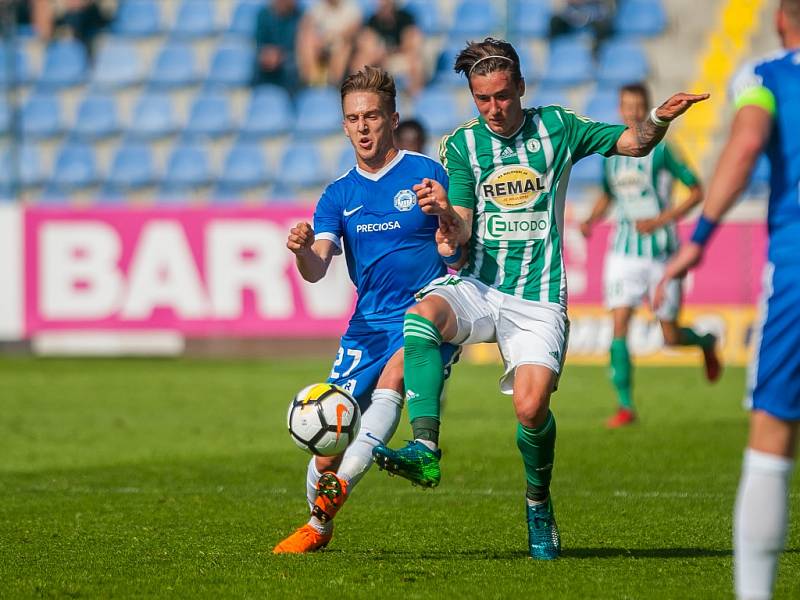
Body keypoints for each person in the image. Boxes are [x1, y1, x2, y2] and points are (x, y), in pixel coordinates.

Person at [372, 37, 707, 560]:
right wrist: (443, 215)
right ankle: (425, 446)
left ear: (521, 88)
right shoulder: (462, 145)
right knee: (419, 319)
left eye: (503, 96)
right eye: (482, 99)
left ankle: (538, 503)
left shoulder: (558, 127)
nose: (494, 109)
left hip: (539, 296)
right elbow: (459, 228)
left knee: (531, 409)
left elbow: (634, 143)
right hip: (481, 285)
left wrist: (661, 119)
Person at [273, 66, 459, 554]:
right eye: (353, 117)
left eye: (372, 115)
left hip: (427, 314)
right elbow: (317, 269)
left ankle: (338, 496)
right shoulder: (338, 195)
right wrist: (300, 250)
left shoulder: (426, 172)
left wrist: (445, 224)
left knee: (397, 376)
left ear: (392, 119)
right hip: (367, 326)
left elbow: (456, 247)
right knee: (325, 444)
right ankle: (320, 524)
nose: (363, 126)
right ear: (344, 125)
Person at [656, 2, 800, 597]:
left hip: (797, 269)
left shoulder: (768, 78)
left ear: (782, 20)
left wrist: (701, 241)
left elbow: (742, 148)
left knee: (772, 435)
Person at [580, 82, 720, 428]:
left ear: (645, 108)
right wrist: (592, 219)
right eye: (627, 105)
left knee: (670, 337)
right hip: (623, 252)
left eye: (638, 105)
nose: (632, 111)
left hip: (661, 253)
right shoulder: (612, 153)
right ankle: (625, 406)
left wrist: (661, 220)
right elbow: (609, 195)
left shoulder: (662, 151)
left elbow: (697, 190)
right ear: (620, 109)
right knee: (619, 324)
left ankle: (704, 341)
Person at [348, 0, 425, 95]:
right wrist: (377, 53)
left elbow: (411, 44)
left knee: (416, 62)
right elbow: (367, 43)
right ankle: (359, 93)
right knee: (361, 60)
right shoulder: (373, 20)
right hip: (380, 59)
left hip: (400, 57)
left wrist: (390, 51)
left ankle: (414, 98)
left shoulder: (405, 18)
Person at [296, 0, 362, 87]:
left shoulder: (351, 7)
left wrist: (333, 38)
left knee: (344, 46)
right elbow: (307, 26)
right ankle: (311, 82)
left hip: (341, 43)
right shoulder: (318, 7)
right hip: (322, 43)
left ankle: (334, 84)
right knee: (307, 40)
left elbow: (352, 31)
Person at [252, 0, 302, 93]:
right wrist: (268, 54)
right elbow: (260, 43)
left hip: (289, 58)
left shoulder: (300, 16)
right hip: (268, 57)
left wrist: (280, 56)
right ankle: (259, 96)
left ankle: (290, 99)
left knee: (292, 65)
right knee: (258, 61)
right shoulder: (263, 14)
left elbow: (298, 47)